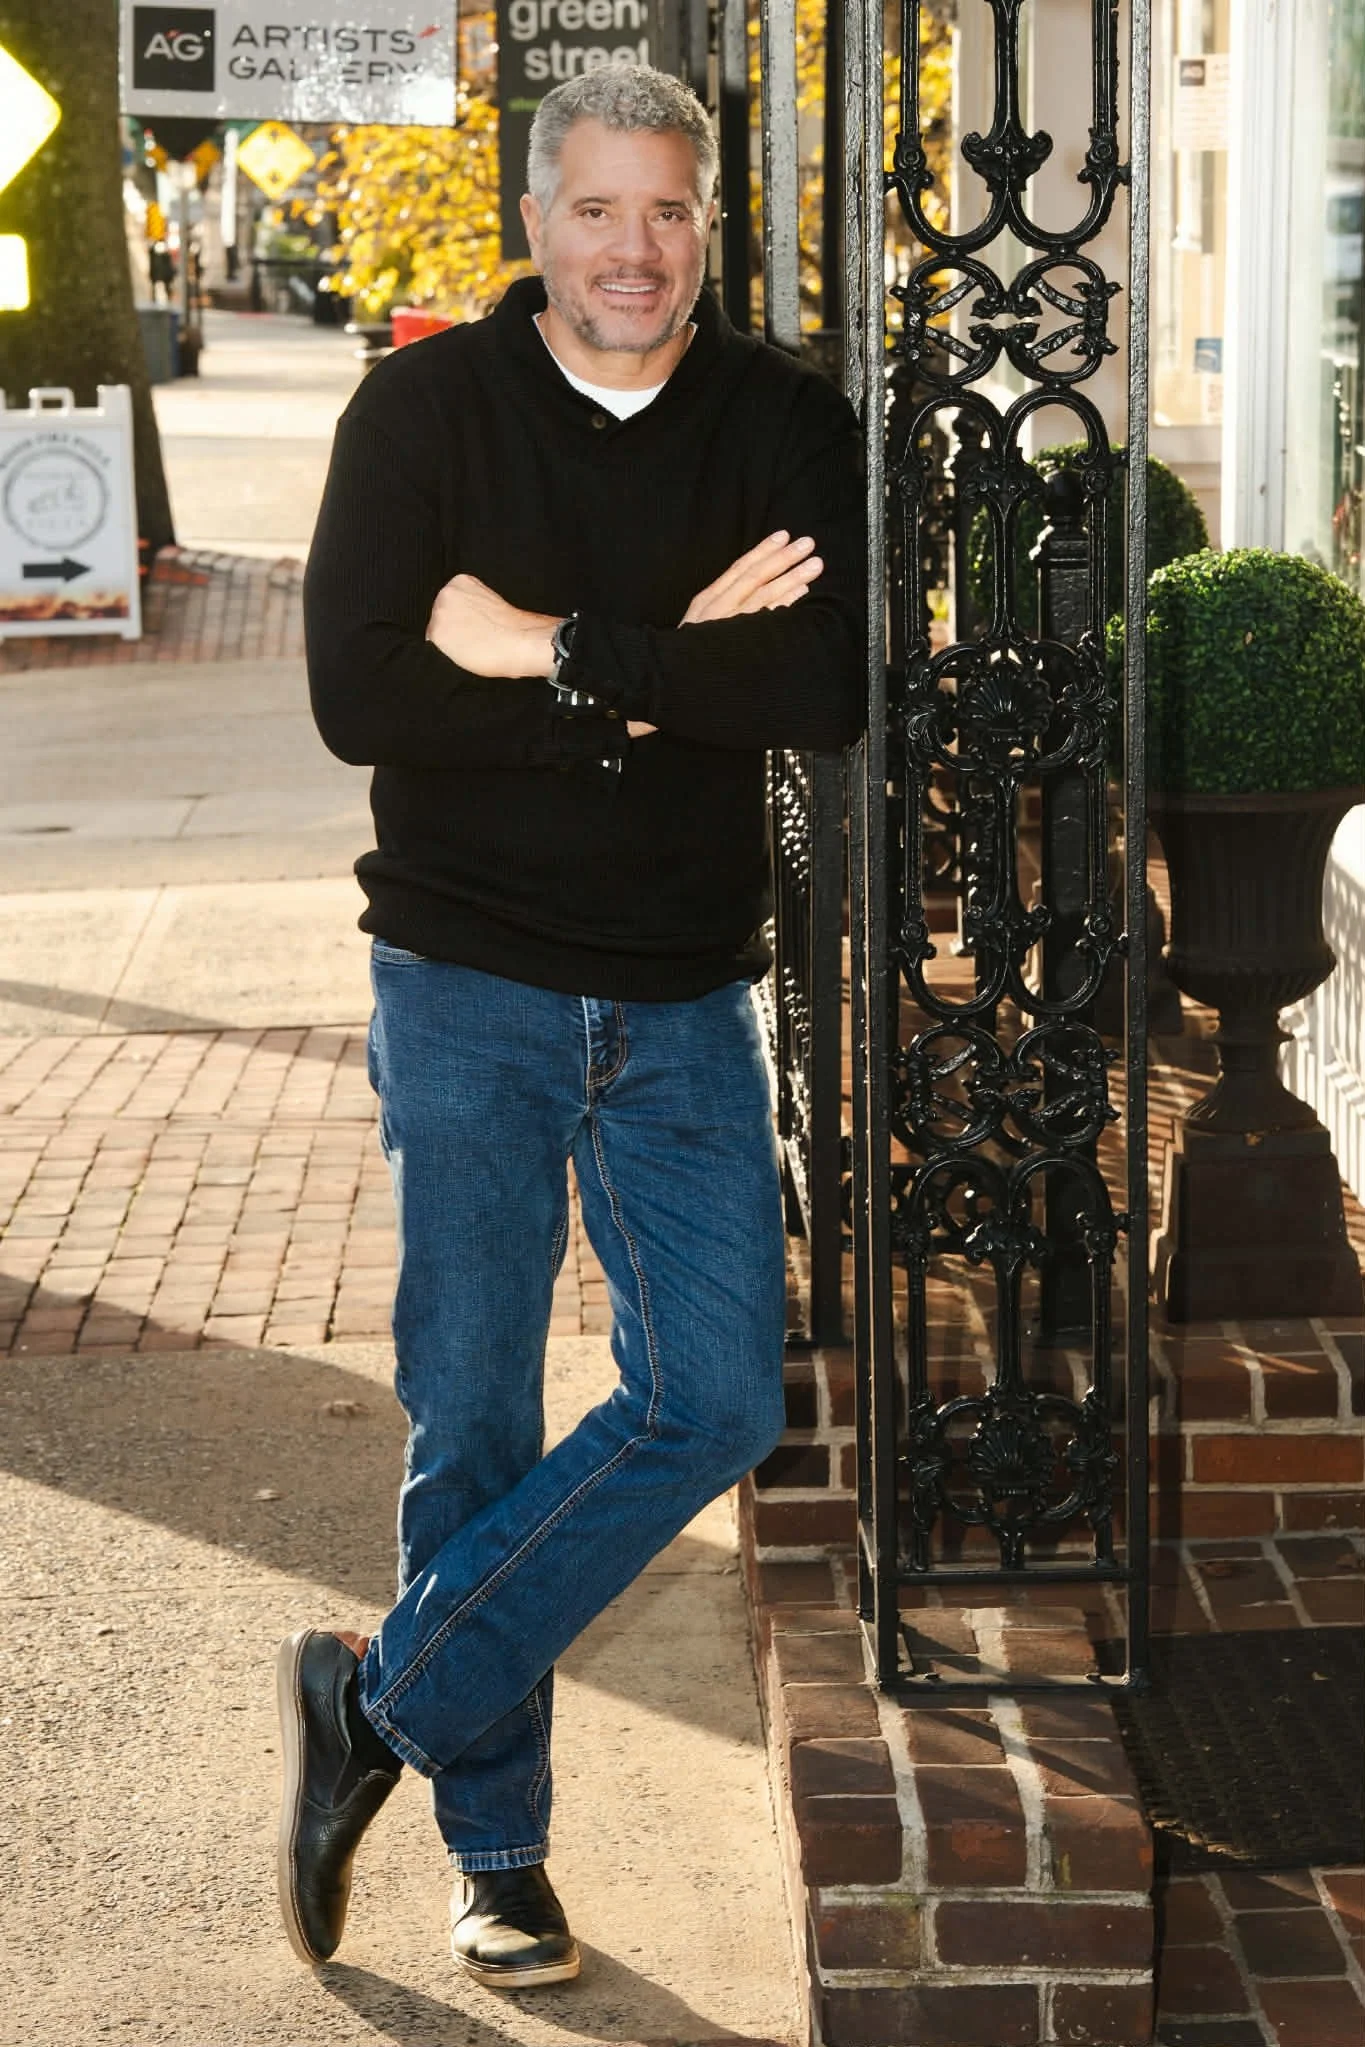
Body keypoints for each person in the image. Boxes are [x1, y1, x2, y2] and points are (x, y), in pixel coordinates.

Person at [287, 63, 864, 1991]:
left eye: (672, 212)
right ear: (537, 220)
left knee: (713, 1392)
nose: (638, 251)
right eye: (601, 210)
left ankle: (379, 1695)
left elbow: (822, 677)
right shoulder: (426, 408)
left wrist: (545, 647)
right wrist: (675, 659)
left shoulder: (782, 419)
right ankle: (500, 1851)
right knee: (474, 1408)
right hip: (465, 976)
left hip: (686, 985)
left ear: (712, 222)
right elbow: (365, 695)